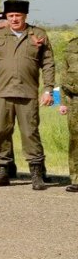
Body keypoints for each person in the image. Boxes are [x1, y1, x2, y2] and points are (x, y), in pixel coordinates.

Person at [0, 0, 55, 189]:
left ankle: (36, 173)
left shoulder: (38, 34)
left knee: (30, 133)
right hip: (3, 92)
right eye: (10, 16)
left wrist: (48, 89)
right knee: (2, 132)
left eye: (17, 16)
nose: (14, 19)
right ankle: (3, 171)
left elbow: (48, 64)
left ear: (25, 16)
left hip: (28, 93)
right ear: (6, 16)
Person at [58, 33, 78, 193]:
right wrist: (63, 102)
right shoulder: (71, 46)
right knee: (75, 140)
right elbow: (64, 76)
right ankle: (76, 179)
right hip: (75, 100)